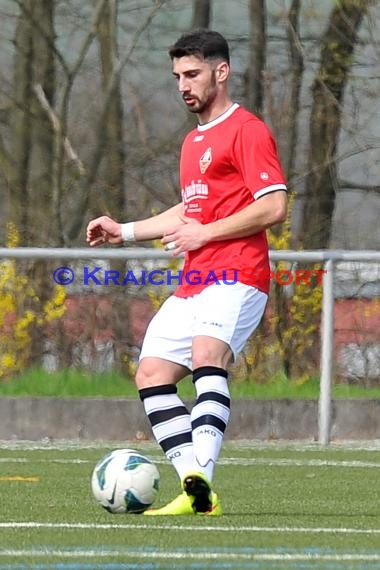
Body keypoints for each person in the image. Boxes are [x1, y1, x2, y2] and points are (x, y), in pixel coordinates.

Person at [86, 29, 287, 516]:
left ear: (222, 72)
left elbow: (274, 206)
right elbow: (190, 210)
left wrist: (207, 234)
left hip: (238, 273)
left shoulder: (248, 130)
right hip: (196, 279)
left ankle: (203, 475)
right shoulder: (193, 140)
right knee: (151, 372)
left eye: (192, 73)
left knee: (205, 357)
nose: (183, 85)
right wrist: (126, 231)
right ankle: (196, 489)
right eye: (177, 75)